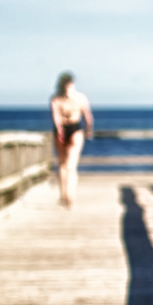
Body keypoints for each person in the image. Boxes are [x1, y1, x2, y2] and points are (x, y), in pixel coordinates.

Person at [49, 71, 94, 208]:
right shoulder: (79, 98)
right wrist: (88, 131)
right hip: (72, 128)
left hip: (70, 129)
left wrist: (60, 130)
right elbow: (88, 118)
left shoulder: (57, 98)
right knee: (67, 165)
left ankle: (66, 195)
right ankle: (67, 195)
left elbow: (56, 118)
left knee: (66, 165)